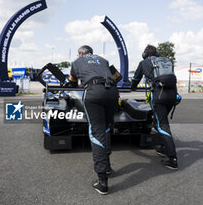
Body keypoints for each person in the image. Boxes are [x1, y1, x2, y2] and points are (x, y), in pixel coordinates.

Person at [69, 45, 119, 194]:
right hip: (113, 93)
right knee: (106, 128)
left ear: (80, 53)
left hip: (94, 92)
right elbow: (117, 77)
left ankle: (102, 181)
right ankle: (107, 167)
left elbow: (72, 81)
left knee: (97, 133)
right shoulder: (103, 60)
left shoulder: (77, 62)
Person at [131, 44, 178, 170]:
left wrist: (132, 88)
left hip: (159, 96)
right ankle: (163, 147)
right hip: (173, 95)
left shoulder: (144, 63)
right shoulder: (166, 62)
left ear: (145, 55)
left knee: (162, 125)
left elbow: (135, 79)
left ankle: (172, 158)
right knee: (159, 121)